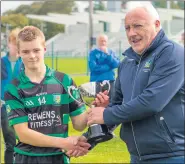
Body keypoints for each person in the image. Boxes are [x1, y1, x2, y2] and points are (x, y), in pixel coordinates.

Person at [87, 5, 184, 164]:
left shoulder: (172, 53)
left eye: (138, 26)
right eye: (127, 28)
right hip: (136, 157)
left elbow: (151, 102)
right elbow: (116, 105)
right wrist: (88, 140)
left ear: (157, 24)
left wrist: (105, 114)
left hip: (172, 156)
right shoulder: (126, 63)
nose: (131, 33)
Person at [4, 26, 91, 164]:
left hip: (58, 158)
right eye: (26, 51)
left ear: (44, 49)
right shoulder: (13, 88)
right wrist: (63, 142)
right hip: (26, 159)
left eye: (36, 50)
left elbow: (79, 124)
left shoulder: (64, 81)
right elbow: (23, 134)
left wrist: (96, 109)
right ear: (19, 53)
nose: (32, 56)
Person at [1, 28, 23, 164]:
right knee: (10, 144)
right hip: (4, 108)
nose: (15, 47)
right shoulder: (1, 62)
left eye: (18, 44)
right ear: (8, 43)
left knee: (24, 142)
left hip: (21, 108)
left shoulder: (25, 63)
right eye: (13, 43)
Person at [88, 34, 120, 100]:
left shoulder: (111, 52)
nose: (103, 43)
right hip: (97, 81)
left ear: (107, 42)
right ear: (97, 42)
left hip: (110, 81)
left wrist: (108, 55)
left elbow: (116, 64)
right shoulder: (93, 53)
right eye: (101, 41)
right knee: (98, 102)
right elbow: (93, 67)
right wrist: (108, 67)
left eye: (104, 41)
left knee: (111, 102)